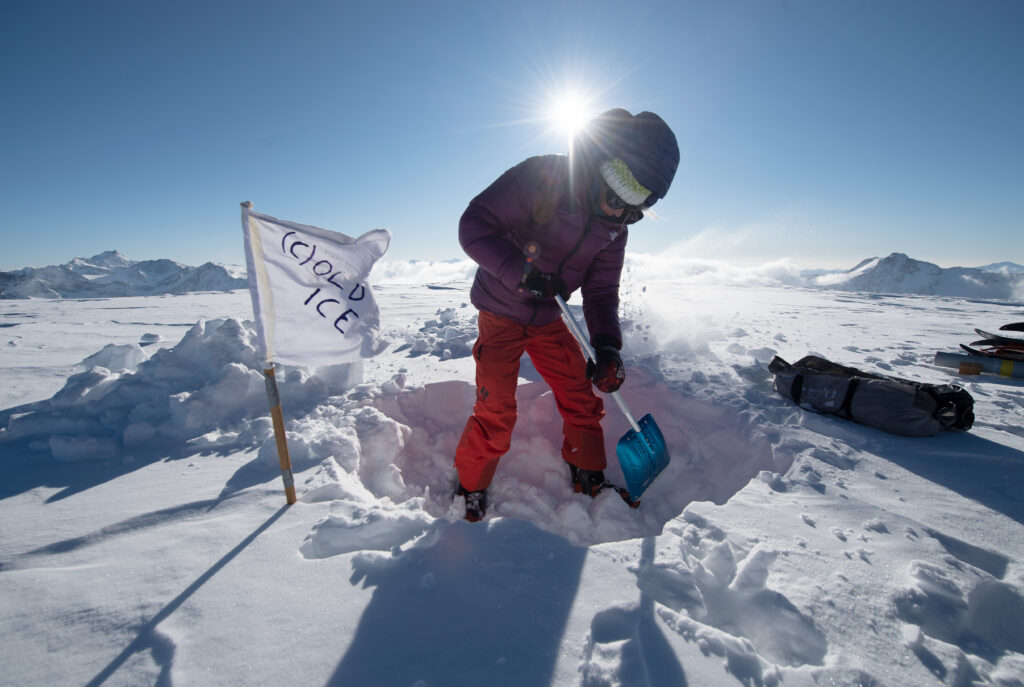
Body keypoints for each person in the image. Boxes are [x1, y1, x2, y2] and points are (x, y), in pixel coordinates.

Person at [453, 108, 680, 522]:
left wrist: (608, 348)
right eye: (617, 194)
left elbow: (599, 291)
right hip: (501, 311)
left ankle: (586, 471)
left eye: (635, 206)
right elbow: (473, 226)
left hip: (548, 318)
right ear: (600, 164)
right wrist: (522, 274)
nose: (619, 213)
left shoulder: (615, 231)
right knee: (496, 411)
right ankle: (470, 485)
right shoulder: (544, 179)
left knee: (581, 395)